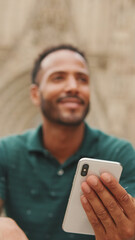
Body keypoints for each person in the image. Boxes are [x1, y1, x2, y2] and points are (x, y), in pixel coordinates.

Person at [0, 44, 135, 240]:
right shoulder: (6, 152)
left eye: (82, 79)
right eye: (58, 77)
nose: (73, 86)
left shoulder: (120, 154)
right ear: (35, 94)